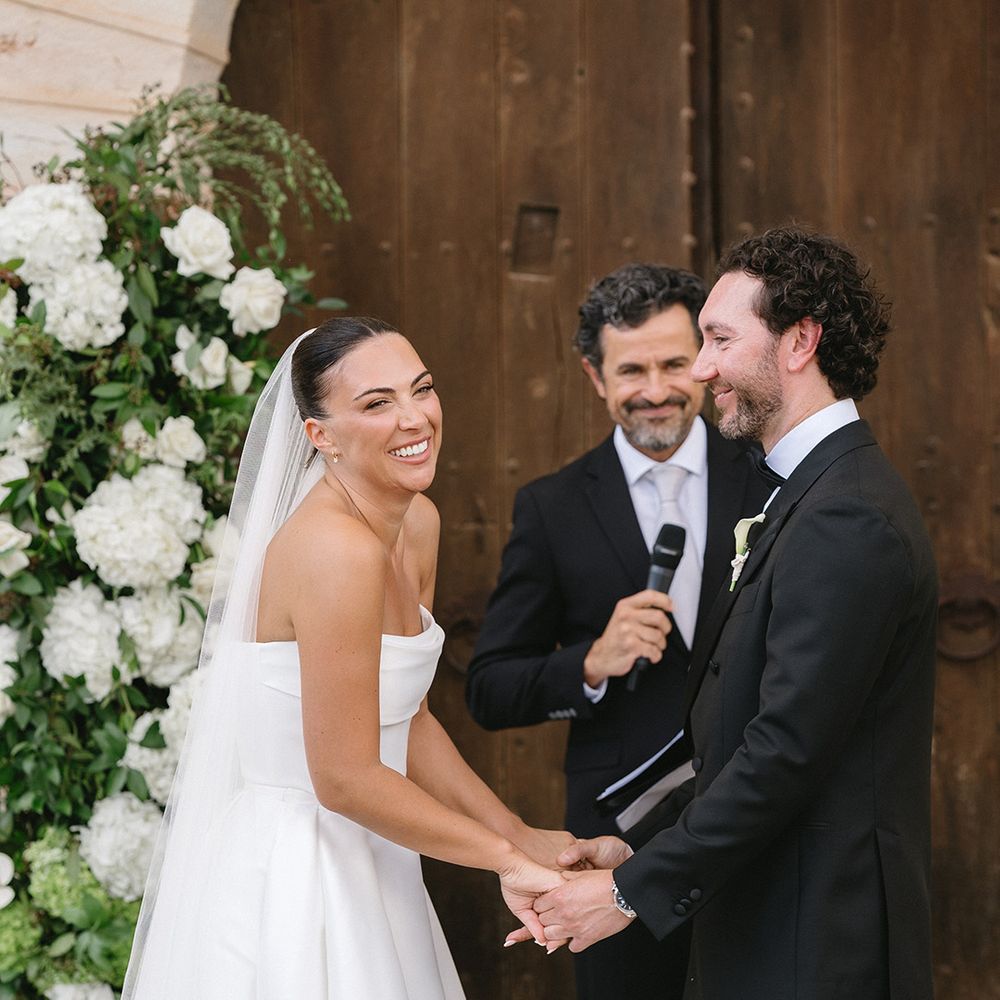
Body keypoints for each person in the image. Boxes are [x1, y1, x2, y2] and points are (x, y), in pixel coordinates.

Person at [530, 228, 938, 1000]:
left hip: (817, 940)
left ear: (800, 342)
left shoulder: (847, 517)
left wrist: (626, 895)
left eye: (718, 339)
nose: (703, 366)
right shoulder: (808, 491)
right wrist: (633, 851)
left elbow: (783, 754)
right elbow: (741, 735)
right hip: (768, 924)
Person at [123, 317, 570, 1000]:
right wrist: (504, 861)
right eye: (376, 403)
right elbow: (344, 778)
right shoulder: (333, 551)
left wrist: (517, 833)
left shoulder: (417, 523)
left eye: (421, 389)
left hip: (377, 851)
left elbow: (407, 721)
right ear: (319, 436)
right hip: (301, 869)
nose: (415, 416)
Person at [465, 264, 768, 1000]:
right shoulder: (553, 506)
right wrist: (590, 664)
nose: (657, 388)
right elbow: (490, 688)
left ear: (703, 359)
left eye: (673, 362)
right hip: (617, 844)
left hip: (754, 821)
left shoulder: (769, 476)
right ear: (594, 376)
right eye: (632, 369)